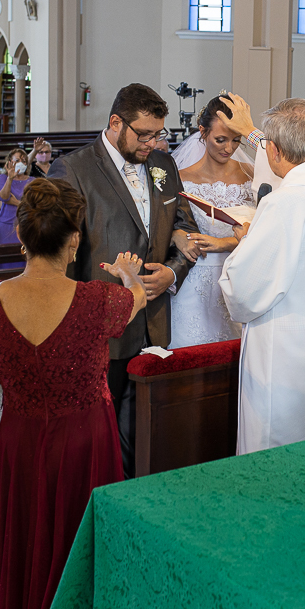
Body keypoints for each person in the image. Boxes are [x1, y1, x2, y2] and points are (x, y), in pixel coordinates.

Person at [0, 180, 145, 609]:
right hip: (87, 444)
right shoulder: (99, 299)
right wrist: (128, 275)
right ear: (75, 241)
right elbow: (137, 297)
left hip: (20, 443)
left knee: (25, 543)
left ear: (22, 238)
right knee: (79, 549)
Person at [48, 83, 197, 478]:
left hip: (155, 323)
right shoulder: (73, 169)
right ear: (116, 122)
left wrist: (172, 273)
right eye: (144, 134)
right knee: (96, 442)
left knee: (144, 434)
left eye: (158, 134)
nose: (152, 143)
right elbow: (57, 255)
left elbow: (184, 227)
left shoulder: (164, 166)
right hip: (101, 329)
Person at [215, 98, 305, 454]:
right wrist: (252, 134)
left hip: (288, 359)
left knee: (280, 452)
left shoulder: (283, 202)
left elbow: (243, 290)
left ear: (275, 150)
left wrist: (245, 241)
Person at [168, 94, 256, 348]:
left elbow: (269, 231)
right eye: (220, 139)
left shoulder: (252, 176)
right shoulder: (180, 178)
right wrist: (176, 234)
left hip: (240, 283)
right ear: (203, 132)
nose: (228, 148)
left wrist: (226, 242)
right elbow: (166, 225)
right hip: (194, 285)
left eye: (236, 140)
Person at [0, 149, 32, 268]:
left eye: (24, 160)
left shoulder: (32, 181)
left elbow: (32, 204)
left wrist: (16, 202)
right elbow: (4, 197)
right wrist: (10, 178)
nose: (21, 162)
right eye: (17, 160)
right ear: (10, 162)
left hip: (25, 224)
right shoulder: (2, 178)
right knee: (5, 260)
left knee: (22, 260)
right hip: (6, 224)